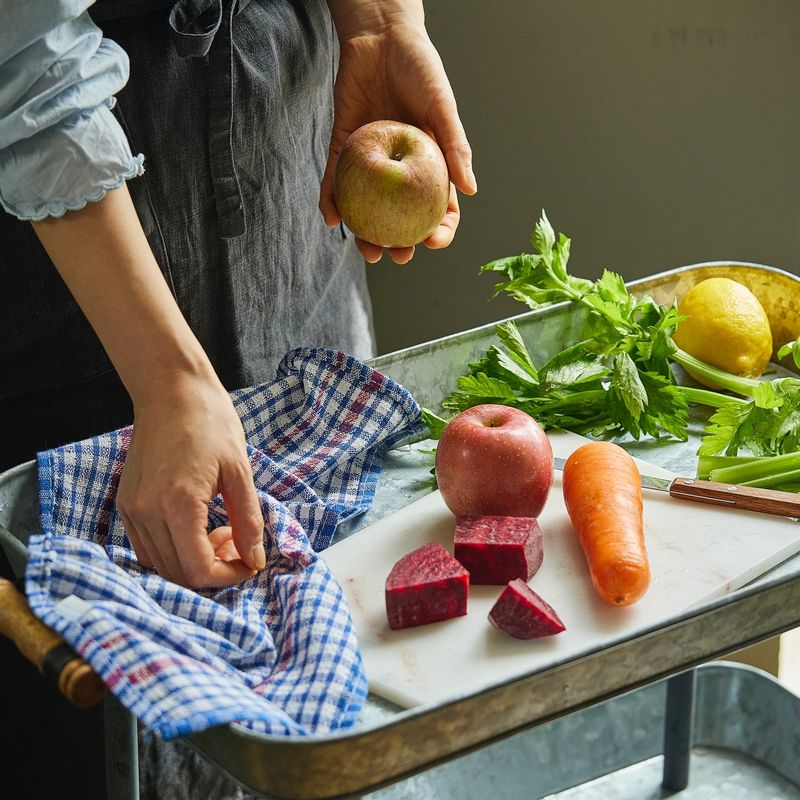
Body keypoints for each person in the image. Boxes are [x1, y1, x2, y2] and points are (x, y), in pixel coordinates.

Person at [0, 0, 475, 796]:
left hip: (291, 177)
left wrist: (379, 23)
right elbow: (24, 53)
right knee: (79, 753)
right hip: (69, 253)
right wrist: (167, 377)